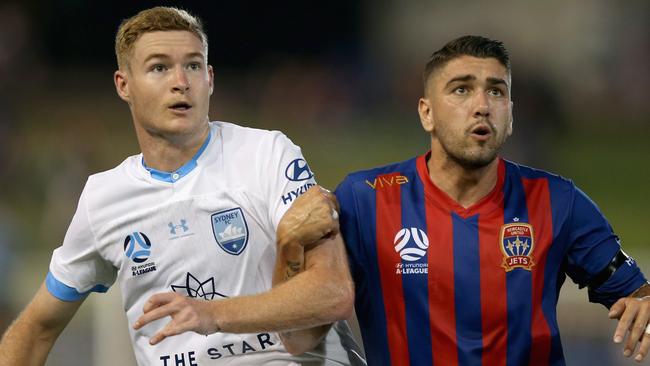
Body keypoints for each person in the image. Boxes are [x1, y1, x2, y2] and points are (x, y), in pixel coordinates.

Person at [0, 6, 362, 365]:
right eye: (159, 67)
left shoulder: (267, 154)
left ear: (210, 78)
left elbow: (332, 294)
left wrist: (214, 313)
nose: (181, 81)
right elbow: (36, 330)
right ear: (124, 85)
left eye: (192, 65)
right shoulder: (102, 199)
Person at [334, 35, 650, 365]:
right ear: (427, 113)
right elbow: (305, 321)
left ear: (510, 115)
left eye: (496, 91)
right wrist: (294, 245)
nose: (482, 106)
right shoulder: (365, 200)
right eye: (461, 89)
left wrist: (645, 300)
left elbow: (635, 292)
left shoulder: (558, 201)